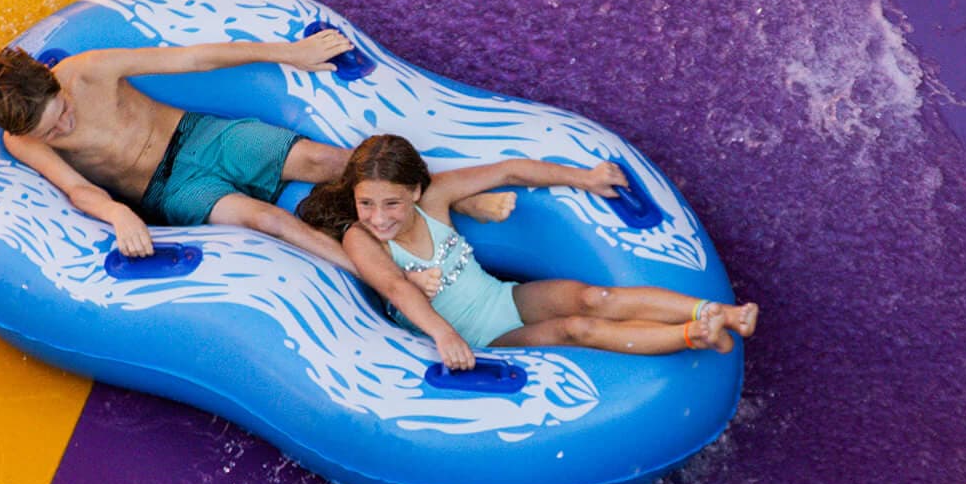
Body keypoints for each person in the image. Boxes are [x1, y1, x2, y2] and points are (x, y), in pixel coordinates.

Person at [298, 134, 759, 370]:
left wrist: (586, 179)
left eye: (391, 203)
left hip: (504, 298)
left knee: (595, 299)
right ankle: (694, 335)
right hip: (481, 337)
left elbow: (511, 171)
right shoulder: (362, 238)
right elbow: (398, 288)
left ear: (416, 191)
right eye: (367, 203)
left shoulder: (437, 196)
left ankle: (721, 313)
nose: (379, 217)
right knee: (577, 328)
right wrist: (443, 335)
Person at [0, 34, 362, 266]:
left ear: (53, 82)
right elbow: (76, 188)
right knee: (266, 221)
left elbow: (194, 58)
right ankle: (375, 278)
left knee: (323, 160)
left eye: (64, 110)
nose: (65, 126)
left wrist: (288, 52)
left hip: (198, 134)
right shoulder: (21, 140)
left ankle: (423, 186)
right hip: (168, 189)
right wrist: (117, 213)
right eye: (51, 132)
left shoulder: (87, 70)